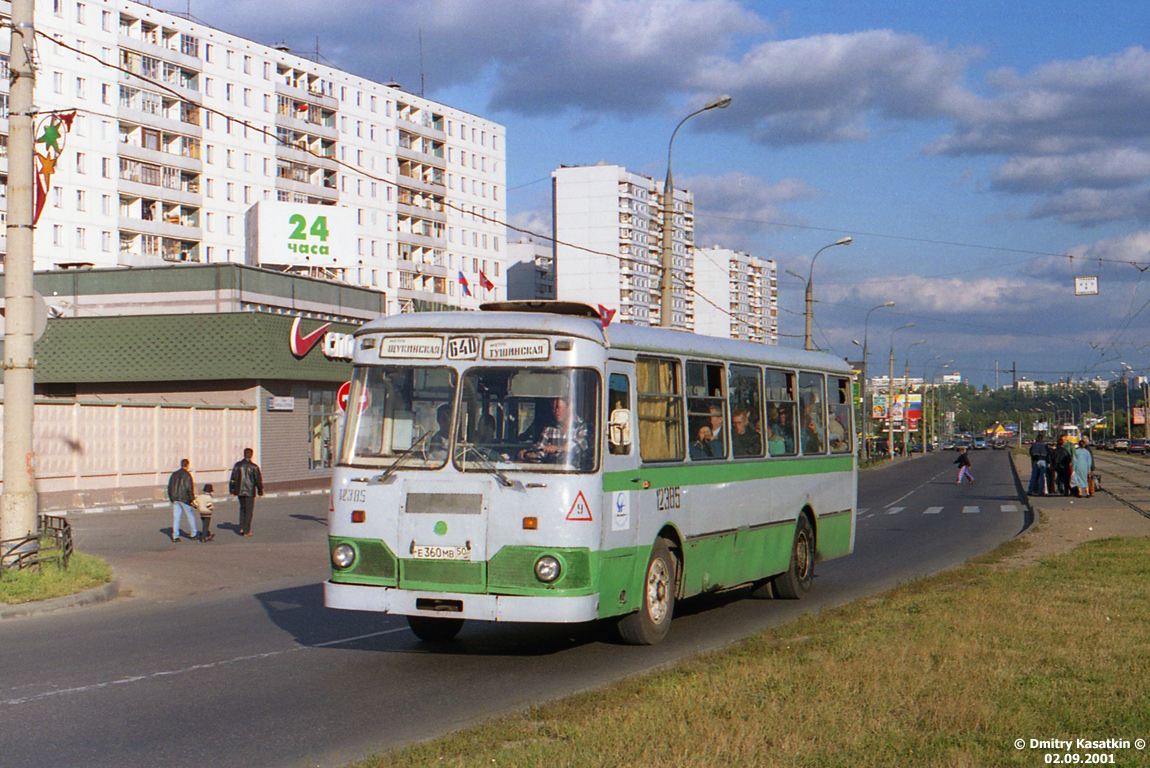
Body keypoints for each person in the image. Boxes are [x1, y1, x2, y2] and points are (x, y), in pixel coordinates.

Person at [518, 398, 588, 466]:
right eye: (553, 408)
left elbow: (579, 446)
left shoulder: (583, 426)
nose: (555, 411)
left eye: (558, 407)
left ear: (570, 407)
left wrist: (557, 448)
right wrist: (527, 454)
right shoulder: (549, 429)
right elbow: (540, 452)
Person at [229, 448, 264, 537]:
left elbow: (233, 478)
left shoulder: (238, 465)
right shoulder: (254, 467)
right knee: (249, 511)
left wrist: (232, 490)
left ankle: (241, 526)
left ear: (244, 454)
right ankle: (246, 530)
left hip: (240, 490)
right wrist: (260, 491)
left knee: (242, 508)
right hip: (250, 491)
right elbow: (258, 480)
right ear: (251, 455)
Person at [167, 458, 198, 543]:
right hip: (184, 499)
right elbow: (189, 488)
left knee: (176, 517)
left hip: (175, 498)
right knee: (190, 516)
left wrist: (171, 498)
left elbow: (169, 487)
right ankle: (193, 533)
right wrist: (192, 499)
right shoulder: (187, 475)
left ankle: (175, 536)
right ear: (187, 465)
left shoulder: (174, 474)